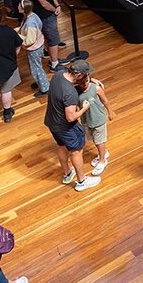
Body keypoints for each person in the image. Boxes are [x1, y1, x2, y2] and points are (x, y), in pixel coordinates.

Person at [43, 60, 102, 191]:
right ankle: (82, 181)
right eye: (86, 75)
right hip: (66, 127)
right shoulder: (71, 93)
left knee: (61, 146)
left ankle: (67, 173)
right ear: (79, 75)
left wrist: (91, 81)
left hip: (52, 122)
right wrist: (84, 109)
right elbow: (71, 117)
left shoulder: (58, 75)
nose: (87, 77)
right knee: (76, 151)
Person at [77, 73, 113, 177]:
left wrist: (110, 112)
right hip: (87, 120)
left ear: (89, 78)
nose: (84, 84)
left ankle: (102, 160)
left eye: (86, 81)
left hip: (98, 120)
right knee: (94, 139)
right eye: (81, 82)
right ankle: (103, 153)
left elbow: (105, 101)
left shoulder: (96, 89)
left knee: (99, 141)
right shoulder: (76, 90)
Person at [17, 0, 49, 98]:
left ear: (23, 9)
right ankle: (40, 82)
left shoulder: (30, 22)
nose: (17, 6)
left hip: (34, 48)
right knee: (36, 66)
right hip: (38, 45)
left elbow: (29, 41)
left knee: (36, 68)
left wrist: (18, 36)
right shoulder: (32, 15)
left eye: (19, 6)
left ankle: (44, 88)